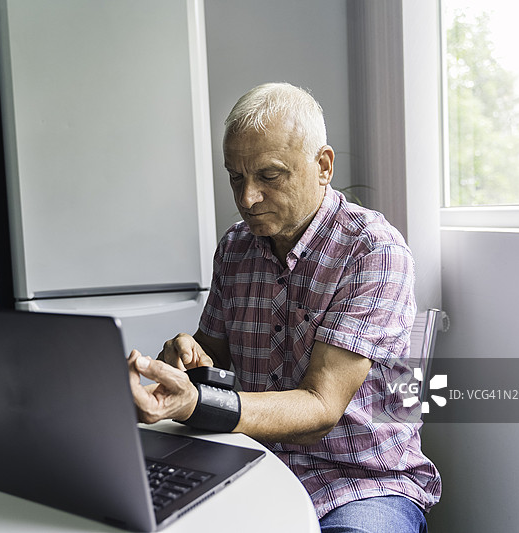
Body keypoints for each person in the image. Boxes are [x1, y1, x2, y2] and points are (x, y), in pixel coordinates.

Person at [127, 82, 441, 532]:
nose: (247, 198)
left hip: (362, 483)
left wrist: (198, 403)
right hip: (251, 461)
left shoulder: (373, 251)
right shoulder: (236, 246)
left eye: (269, 176)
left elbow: (320, 408)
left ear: (322, 166)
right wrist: (182, 359)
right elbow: (212, 351)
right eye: (236, 177)